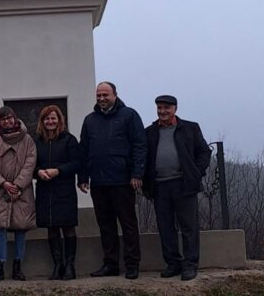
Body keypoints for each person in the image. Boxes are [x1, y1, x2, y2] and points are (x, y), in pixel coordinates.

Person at [79, 80, 146, 280]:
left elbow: (139, 145)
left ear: (115, 95)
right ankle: (110, 264)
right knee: (105, 226)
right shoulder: (90, 120)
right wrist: (83, 177)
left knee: (128, 224)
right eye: (98, 95)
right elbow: (84, 150)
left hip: (123, 181)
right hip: (99, 182)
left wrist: (137, 173)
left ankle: (132, 264)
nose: (102, 98)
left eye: (105, 95)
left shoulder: (129, 115)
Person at [143, 94, 211, 282]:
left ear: (175, 109)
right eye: (159, 108)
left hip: (184, 184)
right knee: (165, 227)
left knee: (189, 227)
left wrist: (196, 172)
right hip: (159, 186)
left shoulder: (190, 128)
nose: (162, 111)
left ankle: (190, 265)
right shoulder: (149, 132)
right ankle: (173, 263)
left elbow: (204, 152)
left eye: (166, 108)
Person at [0, 106, 36, 282]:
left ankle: (18, 266)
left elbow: (30, 163)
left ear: (15, 118)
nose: (7, 121)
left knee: (21, 227)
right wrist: (4, 183)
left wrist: (18, 185)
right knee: (0, 227)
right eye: (3, 119)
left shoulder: (27, 140)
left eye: (9, 118)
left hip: (22, 190)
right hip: (1, 191)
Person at [34, 104, 81, 280]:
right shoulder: (37, 141)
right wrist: (38, 172)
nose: (50, 121)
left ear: (59, 120)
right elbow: (31, 165)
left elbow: (76, 163)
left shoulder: (69, 140)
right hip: (45, 190)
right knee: (51, 228)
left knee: (68, 227)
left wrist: (58, 171)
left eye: (53, 118)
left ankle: (70, 266)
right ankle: (58, 265)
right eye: (47, 118)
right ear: (42, 121)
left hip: (64, 189)